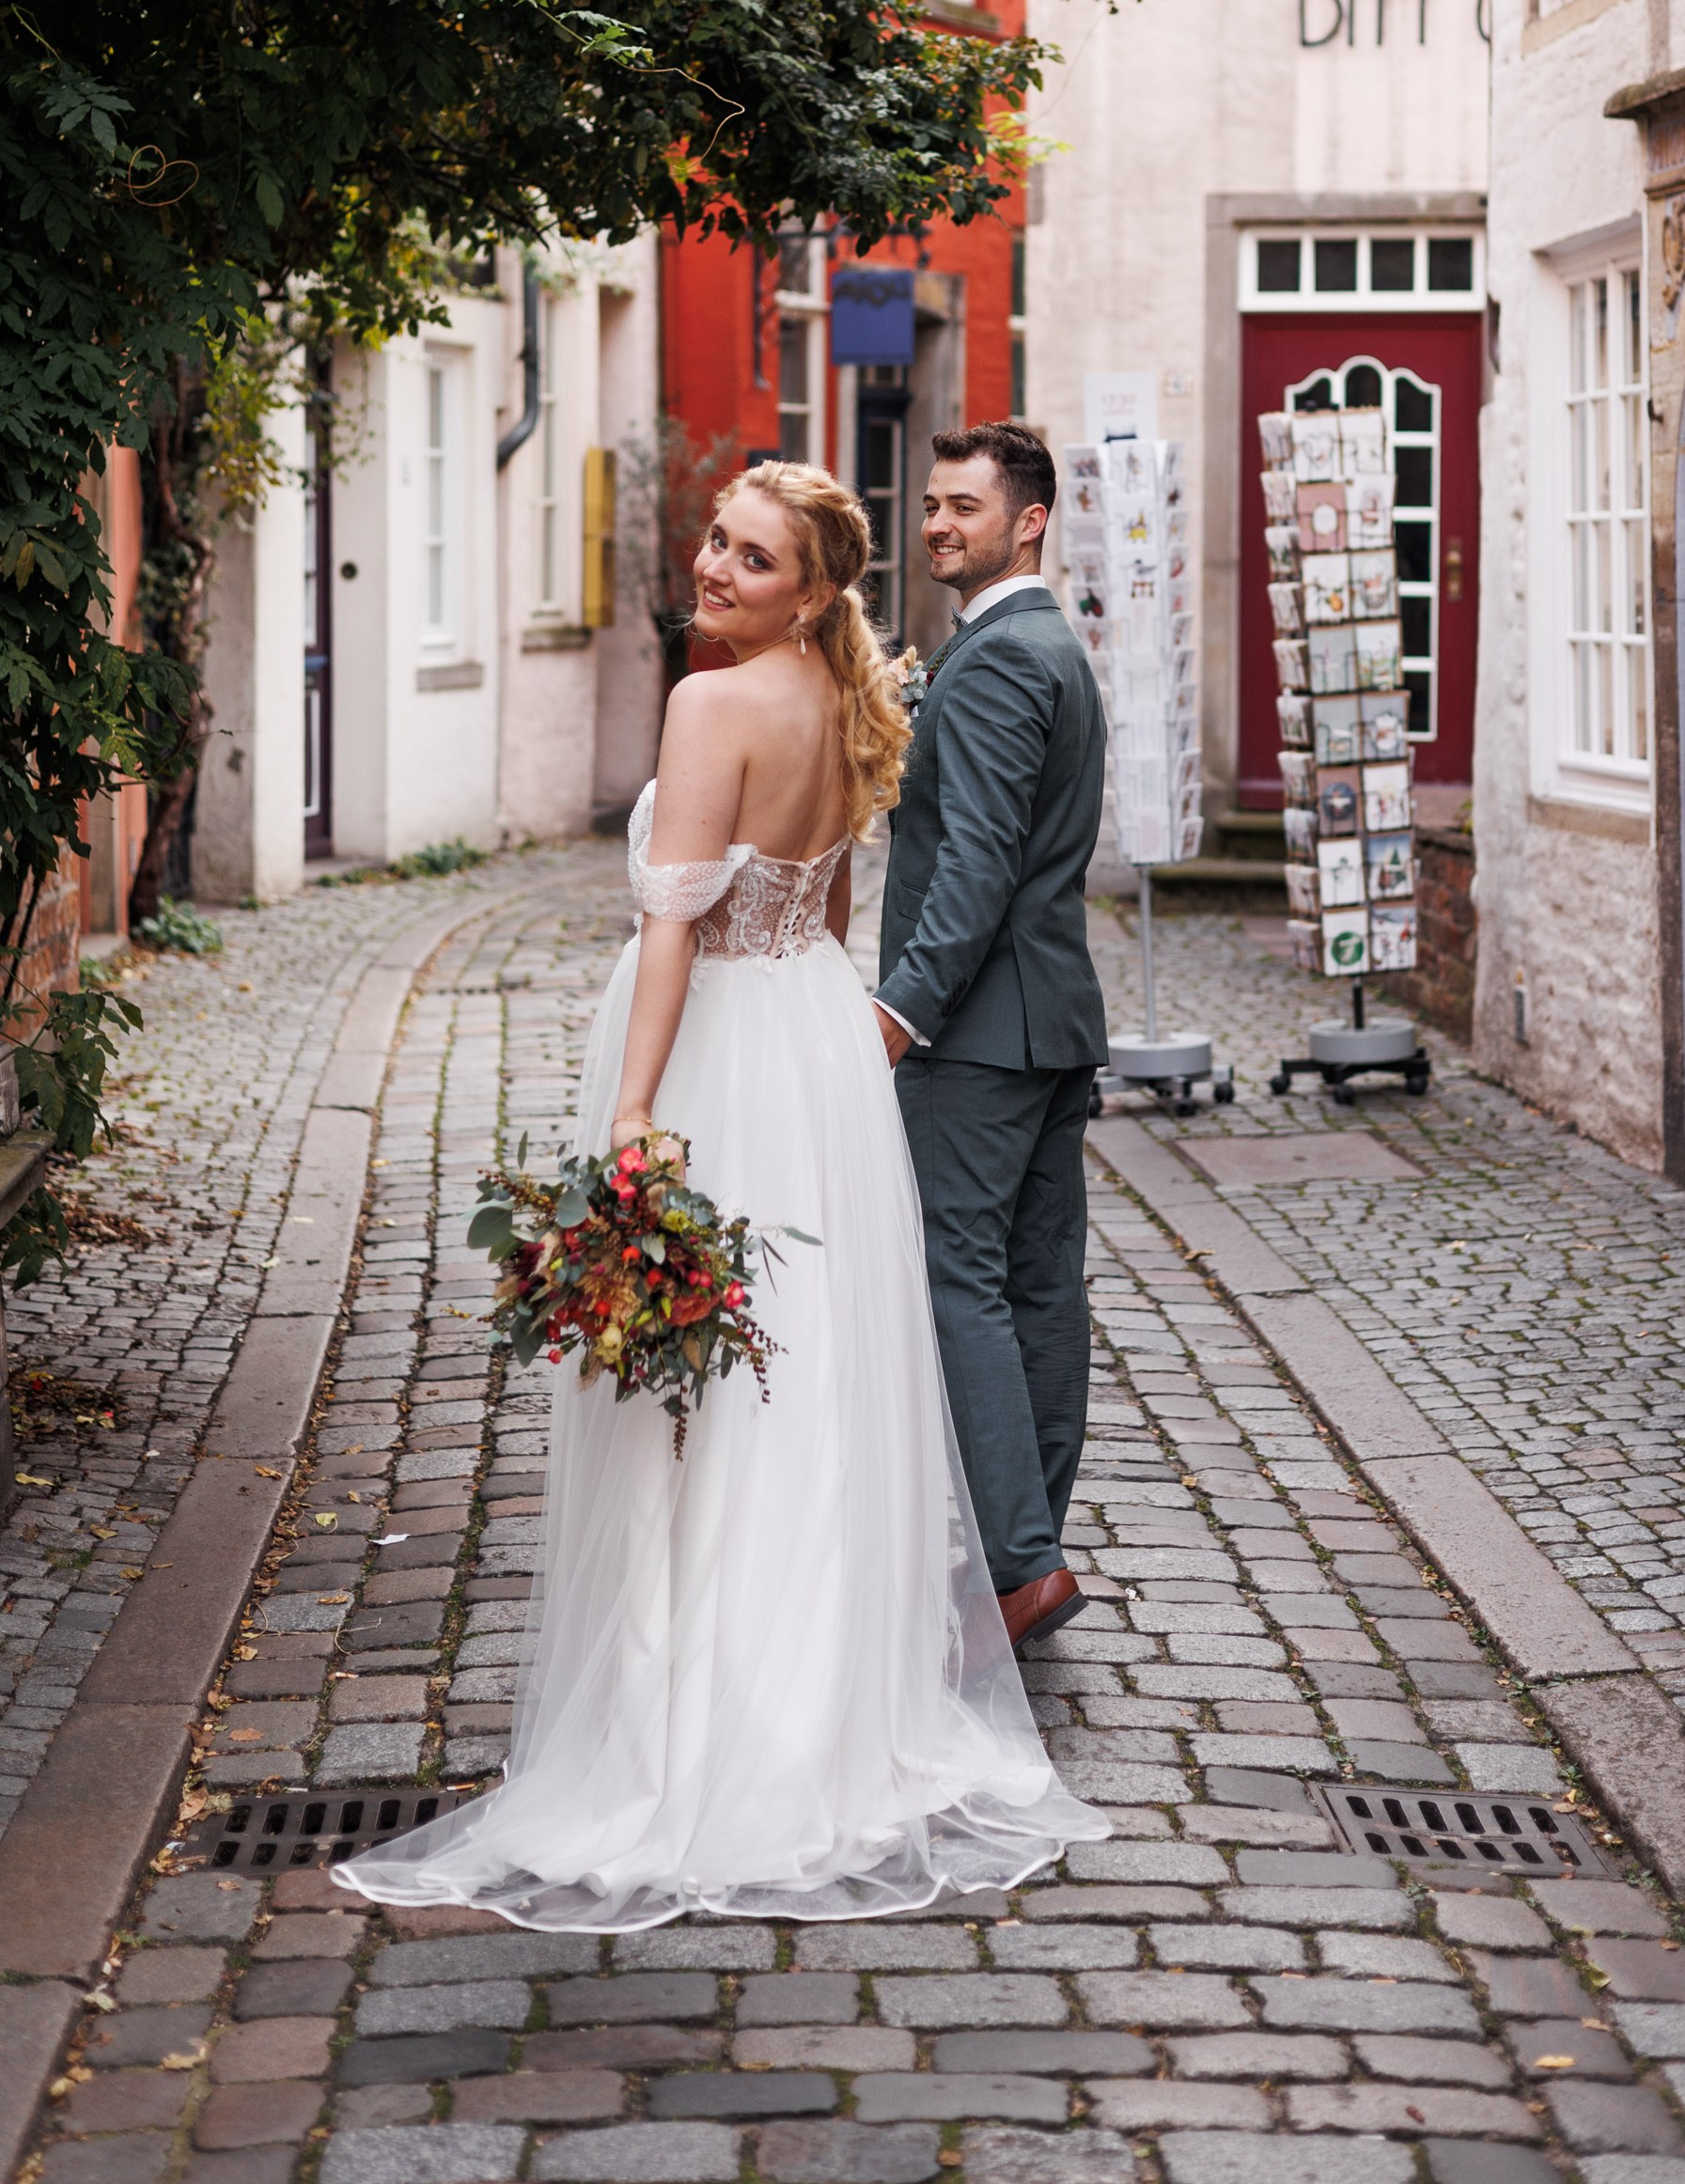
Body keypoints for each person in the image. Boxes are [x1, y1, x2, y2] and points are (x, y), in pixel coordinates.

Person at [334, 461, 1102, 1932]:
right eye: (715, 542)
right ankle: (827, 1701)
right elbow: (820, 909)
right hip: (812, 1035)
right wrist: (828, 1029)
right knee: (804, 1375)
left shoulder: (709, 705)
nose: (715, 568)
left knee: (696, 1397)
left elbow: (674, 924)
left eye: (752, 558)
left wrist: (633, 1110)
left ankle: (702, 1728)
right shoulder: (841, 703)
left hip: (726, 1048)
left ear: (813, 587)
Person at [874, 425, 1108, 1655]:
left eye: (962, 506)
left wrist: (901, 1009)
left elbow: (975, 863)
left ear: (1029, 521)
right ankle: (1031, 1546)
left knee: (961, 1279)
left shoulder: (1005, 659)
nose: (936, 525)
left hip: (980, 1036)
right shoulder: (1043, 644)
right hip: (1052, 1022)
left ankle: (1018, 1564)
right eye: (930, 505)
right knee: (1036, 1286)